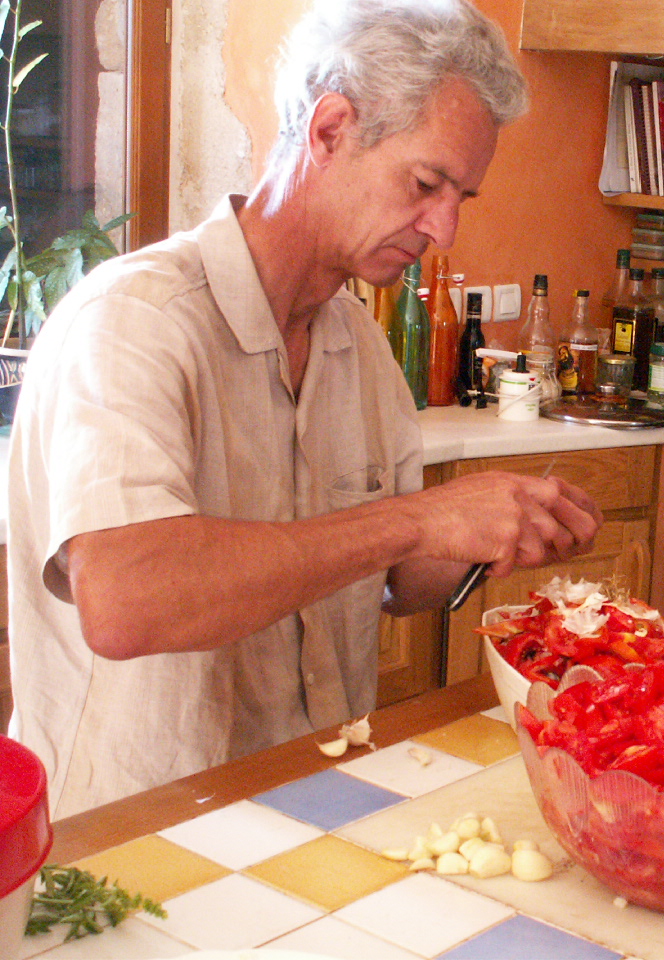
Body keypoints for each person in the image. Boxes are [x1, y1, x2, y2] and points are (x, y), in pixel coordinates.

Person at [6, 0, 603, 818]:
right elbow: (127, 601)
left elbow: (399, 581)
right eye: (426, 184)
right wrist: (416, 520)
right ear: (329, 131)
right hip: (133, 838)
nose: (445, 226)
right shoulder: (134, 322)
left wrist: (487, 527)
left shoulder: (355, 339)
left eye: (462, 194)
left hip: (314, 800)